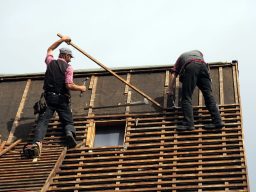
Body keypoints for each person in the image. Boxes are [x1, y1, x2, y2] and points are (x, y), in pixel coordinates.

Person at [24, 35, 86, 158]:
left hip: (49, 98)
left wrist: (62, 40)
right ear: (65, 55)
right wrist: (81, 87)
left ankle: (37, 142)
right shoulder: (68, 68)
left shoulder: (50, 62)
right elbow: (69, 85)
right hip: (62, 99)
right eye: (70, 57)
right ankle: (69, 133)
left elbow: (49, 49)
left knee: (43, 121)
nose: (70, 60)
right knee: (67, 119)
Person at [168, 50, 224, 131]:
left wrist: (170, 89)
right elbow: (202, 65)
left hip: (191, 66)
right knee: (208, 95)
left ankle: (189, 124)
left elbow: (173, 74)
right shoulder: (198, 53)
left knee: (186, 97)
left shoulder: (179, 60)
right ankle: (218, 121)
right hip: (204, 67)